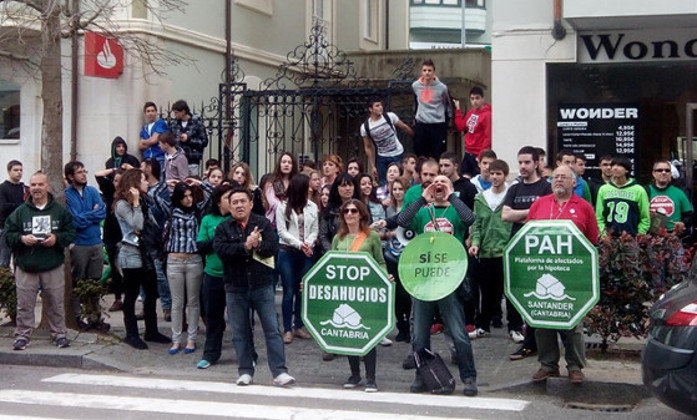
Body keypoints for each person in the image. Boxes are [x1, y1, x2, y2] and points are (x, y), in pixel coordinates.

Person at [397, 175, 478, 396]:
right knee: (420, 334)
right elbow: (403, 221)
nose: (439, 185)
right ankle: (422, 375)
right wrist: (423, 198)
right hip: (425, 279)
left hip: (449, 279)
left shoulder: (455, 210)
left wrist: (451, 195)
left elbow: (469, 219)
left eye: (444, 182)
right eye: (435, 182)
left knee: (458, 333)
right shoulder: (424, 211)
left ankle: (469, 377)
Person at [213, 187, 296, 387]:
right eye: (235, 202)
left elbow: (272, 248)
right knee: (240, 331)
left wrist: (257, 244)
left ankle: (279, 372)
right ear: (229, 206)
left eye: (243, 201)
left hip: (262, 285)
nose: (239, 205)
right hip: (235, 286)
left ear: (251, 204)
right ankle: (245, 371)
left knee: (272, 329)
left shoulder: (262, 224)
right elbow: (222, 251)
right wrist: (245, 246)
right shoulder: (223, 228)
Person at [526, 165, 599, 384]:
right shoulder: (539, 204)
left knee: (573, 322)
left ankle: (575, 366)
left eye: (564, 177)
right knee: (542, 319)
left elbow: (592, 241)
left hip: (573, 275)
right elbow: (528, 236)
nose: (558, 180)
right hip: (543, 272)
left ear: (574, 182)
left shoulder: (584, 207)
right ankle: (548, 365)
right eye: (555, 177)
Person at [5, 171, 75, 350]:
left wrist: (56, 239)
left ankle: (59, 335)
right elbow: (8, 236)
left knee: (56, 303)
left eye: (40, 184)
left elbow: (70, 233)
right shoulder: (19, 213)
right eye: (33, 185)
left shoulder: (60, 212)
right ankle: (22, 336)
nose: (36, 188)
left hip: (52, 265)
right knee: (24, 305)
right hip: (26, 266)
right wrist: (22, 239)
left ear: (47, 186)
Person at [502, 146, 552, 360]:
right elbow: (505, 216)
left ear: (536, 164)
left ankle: (534, 342)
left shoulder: (546, 188)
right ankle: (523, 335)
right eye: (520, 162)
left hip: (540, 250)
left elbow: (548, 215)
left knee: (539, 294)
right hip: (518, 249)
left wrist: (521, 215)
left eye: (527, 163)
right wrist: (533, 212)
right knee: (519, 294)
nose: (522, 167)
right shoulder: (514, 189)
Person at [333, 199, 388, 393]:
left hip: (367, 291)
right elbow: (331, 264)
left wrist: (384, 277)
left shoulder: (371, 236)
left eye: (353, 210)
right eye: (346, 211)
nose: (349, 214)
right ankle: (355, 374)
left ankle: (371, 378)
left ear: (361, 214)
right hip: (345, 293)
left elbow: (380, 261)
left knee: (368, 334)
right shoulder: (338, 238)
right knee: (350, 333)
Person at [113, 169, 171, 349]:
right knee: (131, 295)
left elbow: (152, 223)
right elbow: (136, 225)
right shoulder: (122, 205)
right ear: (134, 185)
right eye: (144, 180)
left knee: (151, 293)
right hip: (131, 253)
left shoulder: (146, 200)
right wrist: (136, 203)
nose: (147, 183)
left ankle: (151, 331)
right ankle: (131, 333)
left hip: (147, 253)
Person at [468, 159, 511, 337]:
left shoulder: (511, 195)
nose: (494, 177)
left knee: (508, 292)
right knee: (485, 291)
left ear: (505, 175)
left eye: (498, 174)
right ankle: (482, 326)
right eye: (492, 173)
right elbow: (477, 225)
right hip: (486, 251)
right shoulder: (481, 198)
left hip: (505, 250)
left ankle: (514, 327)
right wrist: (475, 244)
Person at [64, 161, 108, 331]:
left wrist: (86, 215)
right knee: (77, 282)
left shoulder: (92, 191)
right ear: (70, 176)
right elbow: (75, 221)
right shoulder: (67, 195)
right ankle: (76, 317)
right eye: (79, 172)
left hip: (96, 242)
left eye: (84, 171)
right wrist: (92, 214)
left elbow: (102, 212)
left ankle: (95, 317)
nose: (83, 174)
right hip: (79, 244)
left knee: (94, 282)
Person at [276, 174, 318, 344]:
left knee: (302, 289)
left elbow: (315, 229)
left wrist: (308, 243)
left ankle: (298, 325)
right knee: (288, 291)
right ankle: (287, 328)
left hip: (306, 252)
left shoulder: (312, 206)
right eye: (307, 186)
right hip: (287, 252)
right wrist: (299, 244)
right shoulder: (283, 206)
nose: (310, 189)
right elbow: (281, 232)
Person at [195, 184, 233, 369]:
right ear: (218, 201)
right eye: (228, 199)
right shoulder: (208, 220)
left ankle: (247, 353)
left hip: (234, 275)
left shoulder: (237, 219)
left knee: (239, 318)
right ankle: (210, 354)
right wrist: (219, 239)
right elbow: (201, 245)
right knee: (213, 317)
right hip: (213, 274)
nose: (233, 202)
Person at [165, 182, 203, 355]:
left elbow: (214, 196)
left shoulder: (198, 210)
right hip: (174, 259)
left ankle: (192, 339)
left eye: (190, 195)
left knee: (193, 302)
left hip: (194, 258)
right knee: (177, 302)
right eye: (185, 196)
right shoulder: (171, 211)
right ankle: (176, 339)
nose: (189, 199)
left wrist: (200, 184)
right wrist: (165, 183)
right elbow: (154, 197)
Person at [141, 158, 172, 321]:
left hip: (158, 237)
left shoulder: (161, 188)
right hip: (143, 237)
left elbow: (168, 210)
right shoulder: (139, 189)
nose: (141, 168)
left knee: (160, 274)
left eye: (143, 165)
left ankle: (167, 306)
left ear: (150, 167)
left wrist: (151, 196)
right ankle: (146, 307)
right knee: (142, 273)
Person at [381, 176, 411, 342]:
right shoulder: (389, 210)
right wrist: (389, 234)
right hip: (391, 255)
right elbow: (386, 230)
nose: (398, 192)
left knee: (407, 293)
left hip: (408, 256)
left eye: (401, 189)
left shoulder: (412, 209)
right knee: (396, 294)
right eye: (395, 189)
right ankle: (401, 327)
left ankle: (411, 325)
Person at [361, 98, 414, 184]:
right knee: (383, 182)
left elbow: (403, 127)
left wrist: (414, 136)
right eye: (377, 106)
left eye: (381, 105)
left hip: (397, 153)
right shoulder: (365, 127)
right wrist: (372, 165)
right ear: (370, 109)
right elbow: (368, 147)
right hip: (382, 157)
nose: (380, 107)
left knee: (400, 180)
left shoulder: (389, 116)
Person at [94, 167, 125, 312]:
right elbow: (98, 175)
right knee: (114, 269)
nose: (116, 183)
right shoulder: (109, 193)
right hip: (111, 235)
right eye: (115, 180)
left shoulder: (129, 195)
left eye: (119, 180)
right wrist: (114, 169)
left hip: (124, 236)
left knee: (127, 269)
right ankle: (118, 299)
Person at [595, 157, 650, 236]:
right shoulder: (604, 189)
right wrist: (604, 235)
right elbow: (599, 217)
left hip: (631, 239)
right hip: (609, 239)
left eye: (620, 166)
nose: (615, 168)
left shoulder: (639, 190)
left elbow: (645, 218)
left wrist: (639, 235)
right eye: (613, 165)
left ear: (627, 170)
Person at [411, 59, 451, 159]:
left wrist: (449, 121)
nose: (427, 73)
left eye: (429, 70)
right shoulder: (415, 86)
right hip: (422, 124)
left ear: (433, 72)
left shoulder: (442, 88)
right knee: (421, 155)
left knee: (439, 154)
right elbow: (415, 102)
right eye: (424, 70)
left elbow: (448, 104)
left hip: (437, 124)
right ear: (421, 72)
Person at [453, 86, 491, 178]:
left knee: (477, 180)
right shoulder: (471, 112)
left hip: (477, 154)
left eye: (477, 98)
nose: (475, 101)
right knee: (464, 179)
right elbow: (461, 126)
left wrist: (481, 156)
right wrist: (458, 109)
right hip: (468, 153)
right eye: (472, 99)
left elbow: (488, 137)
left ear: (483, 99)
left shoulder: (487, 115)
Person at [647, 160, 693, 233]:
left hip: (674, 236)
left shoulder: (679, 193)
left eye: (667, 170)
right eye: (660, 170)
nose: (664, 172)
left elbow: (690, 216)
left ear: (670, 174)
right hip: (650, 236)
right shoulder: (645, 191)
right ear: (653, 173)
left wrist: (683, 223)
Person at [169, 99, 209, 176]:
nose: (175, 115)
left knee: (191, 182)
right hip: (177, 159)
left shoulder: (197, 123)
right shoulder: (174, 124)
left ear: (183, 112)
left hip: (192, 159)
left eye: (176, 113)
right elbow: (171, 139)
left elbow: (204, 141)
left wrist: (189, 139)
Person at [0, 160, 26, 267]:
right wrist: (22, 206)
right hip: (6, 228)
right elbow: (3, 207)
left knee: (20, 261)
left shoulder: (24, 188)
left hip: (21, 229)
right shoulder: (2, 188)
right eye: (15, 170)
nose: (19, 172)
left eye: (21, 170)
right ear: (9, 171)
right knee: (4, 261)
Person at [265, 153, 298, 228]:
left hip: (294, 221)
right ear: (279, 165)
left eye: (289, 162)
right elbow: (273, 203)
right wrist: (286, 210)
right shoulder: (271, 183)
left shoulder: (296, 183)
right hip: (275, 222)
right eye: (283, 162)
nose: (286, 164)